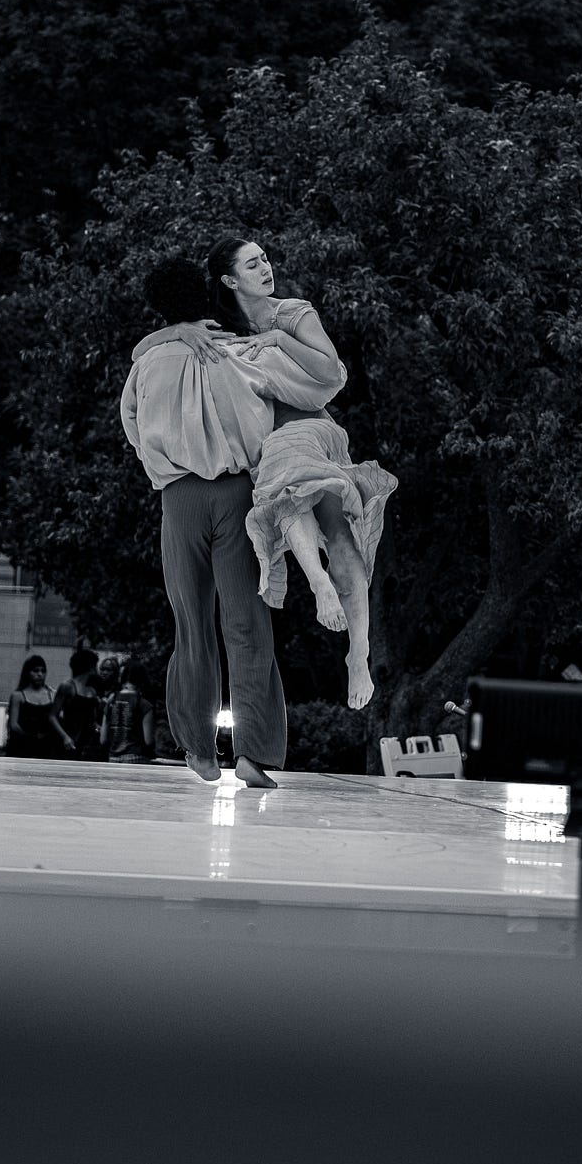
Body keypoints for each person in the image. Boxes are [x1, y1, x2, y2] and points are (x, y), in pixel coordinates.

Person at [121, 254, 344, 788]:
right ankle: (253, 755)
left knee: (190, 625)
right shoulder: (242, 351)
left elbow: (130, 423)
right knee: (247, 622)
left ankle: (198, 750)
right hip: (240, 494)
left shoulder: (146, 362)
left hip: (177, 497)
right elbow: (322, 387)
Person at [207, 236, 395, 712]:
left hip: (310, 428)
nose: (266, 268)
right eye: (253, 264)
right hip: (266, 445)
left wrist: (276, 338)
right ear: (231, 280)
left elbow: (329, 369)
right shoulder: (219, 328)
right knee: (328, 525)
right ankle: (332, 606)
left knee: (308, 500)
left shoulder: (292, 313)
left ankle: (354, 646)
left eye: (265, 259)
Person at [6, 653, 72, 759]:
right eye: (35, 671)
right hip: (24, 746)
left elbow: (58, 717)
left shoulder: (51, 694)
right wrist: (31, 738)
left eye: (43, 671)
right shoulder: (18, 695)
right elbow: (14, 725)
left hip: (47, 747)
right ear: (28, 673)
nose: (40, 674)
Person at [52, 645, 105, 761]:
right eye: (95, 665)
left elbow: (92, 719)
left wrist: (97, 726)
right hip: (70, 740)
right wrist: (65, 737)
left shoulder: (92, 691)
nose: (97, 669)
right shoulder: (67, 686)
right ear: (90, 667)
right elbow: (52, 716)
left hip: (87, 744)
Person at [103, 659, 156, 764]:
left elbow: (103, 739)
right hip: (136, 758)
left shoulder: (111, 701)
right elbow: (148, 740)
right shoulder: (144, 704)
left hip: (113, 759)